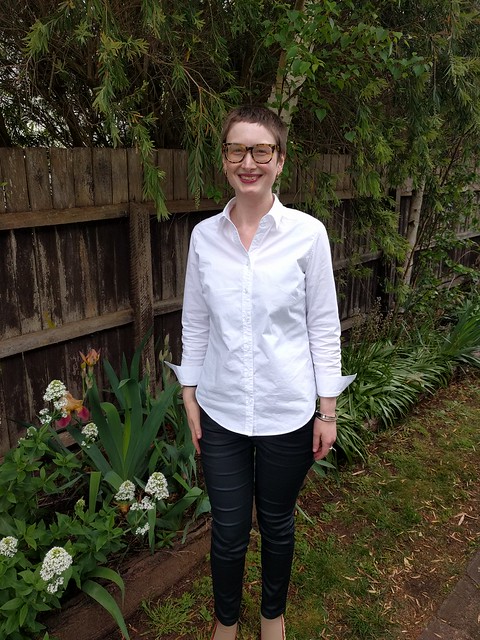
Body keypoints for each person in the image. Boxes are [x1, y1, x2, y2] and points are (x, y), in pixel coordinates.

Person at [167, 105, 355, 640]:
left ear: (279, 160)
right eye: (236, 150)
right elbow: (196, 321)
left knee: (276, 525)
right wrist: (189, 391)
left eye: (260, 150)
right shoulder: (204, 237)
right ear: (224, 159)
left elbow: (323, 327)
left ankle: (273, 618)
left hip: (287, 412)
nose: (247, 162)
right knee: (227, 531)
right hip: (222, 414)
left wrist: (328, 411)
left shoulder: (308, 235)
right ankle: (226, 623)